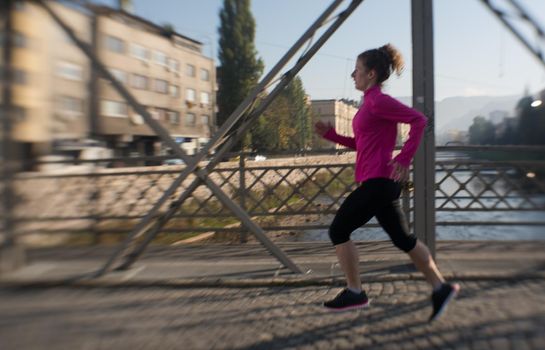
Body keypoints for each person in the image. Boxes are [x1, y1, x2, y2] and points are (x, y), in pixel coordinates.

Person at [315, 43, 459, 322]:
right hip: (379, 181)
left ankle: (355, 292)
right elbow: (362, 142)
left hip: (379, 182)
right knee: (404, 239)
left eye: (356, 70)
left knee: (338, 230)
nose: (352, 76)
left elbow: (419, 120)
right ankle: (440, 288)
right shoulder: (369, 104)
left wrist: (405, 158)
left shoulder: (378, 101)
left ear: (370, 74)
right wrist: (332, 136)